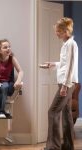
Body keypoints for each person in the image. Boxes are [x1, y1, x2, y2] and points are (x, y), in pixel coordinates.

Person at [40, 17, 78, 150]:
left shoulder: (72, 44)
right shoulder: (66, 44)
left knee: (53, 111)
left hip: (66, 83)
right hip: (65, 83)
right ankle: (68, 146)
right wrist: (53, 64)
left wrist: (64, 86)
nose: (56, 33)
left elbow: (71, 66)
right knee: (66, 113)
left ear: (65, 31)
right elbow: (65, 64)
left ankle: (53, 147)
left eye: (58, 31)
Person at [0, 39, 23, 120]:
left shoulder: (12, 58)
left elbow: (20, 71)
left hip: (5, 81)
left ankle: (1, 112)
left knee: (4, 87)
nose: (8, 49)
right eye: (5, 47)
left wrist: (18, 81)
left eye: (9, 47)